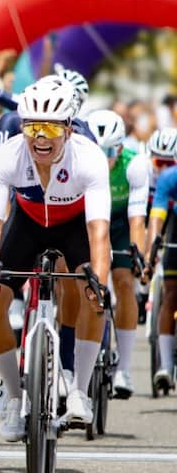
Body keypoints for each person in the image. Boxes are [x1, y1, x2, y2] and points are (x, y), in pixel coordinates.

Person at [0, 77, 110, 441]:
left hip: (74, 227)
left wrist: (98, 279)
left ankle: (80, 390)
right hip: (27, 224)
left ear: (68, 129)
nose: (40, 137)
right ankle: (13, 395)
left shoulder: (89, 158)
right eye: (33, 127)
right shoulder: (7, 156)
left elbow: (98, 232)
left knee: (94, 298)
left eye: (50, 128)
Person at [85, 109, 148, 399]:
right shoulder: (81, 162)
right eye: (99, 150)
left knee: (124, 282)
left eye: (110, 151)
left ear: (121, 147)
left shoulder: (134, 164)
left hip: (121, 224)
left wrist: (139, 255)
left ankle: (123, 368)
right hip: (87, 223)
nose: (104, 157)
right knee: (78, 286)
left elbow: (138, 219)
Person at [144, 129, 177, 393]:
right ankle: (165, 366)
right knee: (170, 295)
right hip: (174, 225)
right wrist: (150, 253)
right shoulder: (168, 178)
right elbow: (156, 217)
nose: (162, 167)